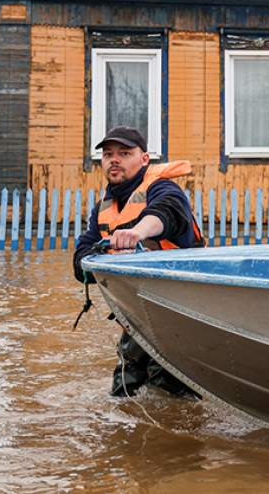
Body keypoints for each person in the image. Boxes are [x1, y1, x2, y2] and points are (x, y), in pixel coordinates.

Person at [73, 125, 205, 397]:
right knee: (122, 392)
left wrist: (137, 233)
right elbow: (82, 256)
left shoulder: (164, 188)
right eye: (108, 154)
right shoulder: (104, 207)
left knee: (172, 395)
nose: (114, 160)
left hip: (178, 315)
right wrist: (89, 261)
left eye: (124, 153)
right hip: (136, 317)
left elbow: (166, 213)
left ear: (144, 159)